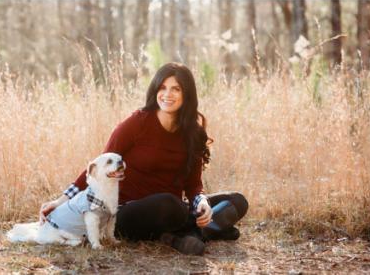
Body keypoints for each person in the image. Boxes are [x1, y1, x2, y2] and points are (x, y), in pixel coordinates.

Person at [39, 63, 248, 255]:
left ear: (187, 94)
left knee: (238, 201)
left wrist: (202, 203)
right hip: (127, 213)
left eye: (176, 89)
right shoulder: (137, 123)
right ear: (155, 89)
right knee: (169, 203)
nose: (167, 94)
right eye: (163, 87)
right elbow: (99, 169)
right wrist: (61, 200)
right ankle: (206, 229)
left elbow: (193, 185)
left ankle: (185, 235)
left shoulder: (193, 133)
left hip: (174, 210)